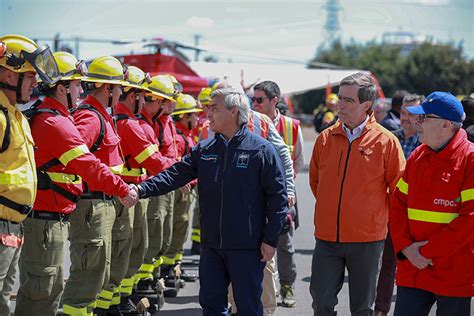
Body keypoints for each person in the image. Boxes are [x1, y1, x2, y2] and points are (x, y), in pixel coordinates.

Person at [135, 88, 288, 316]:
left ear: (234, 111)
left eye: (214, 108)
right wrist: (139, 190)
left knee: (247, 307)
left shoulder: (261, 150)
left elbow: (278, 199)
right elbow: (174, 175)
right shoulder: (205, 150)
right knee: (212, 307)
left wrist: (270, 239)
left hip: (247, 247)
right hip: (212, 247)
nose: (208, 114)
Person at [14, 51, 136, 316]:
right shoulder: (55, 123)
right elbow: (88, 165)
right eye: (79, 84)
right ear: (62, 88)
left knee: (49, 289)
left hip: (52, 217)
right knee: (41, 293)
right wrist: (123, 189)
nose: (83, 89)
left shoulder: (55, 118)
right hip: (45, 219)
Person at [309, 72, 405, 315]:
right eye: (340, 97)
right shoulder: (324, 139)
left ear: (367, 105)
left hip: (367, 241)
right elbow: (315, 183)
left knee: (362, 308)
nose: (340, 104)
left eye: (348, 100)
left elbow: (399, 191)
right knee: (321, 303)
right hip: (327, 239)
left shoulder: (386, 142)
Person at [62, 55, 138, 315]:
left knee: (99, 272)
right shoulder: (91, 117)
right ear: (108, 89)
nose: (121, 94)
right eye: (118, 88)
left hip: (105, 201)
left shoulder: (102, 115)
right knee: (88, 274)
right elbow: (75, 158)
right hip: (93, 203)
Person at [390, 92, 473, 316]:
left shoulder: (470, 160)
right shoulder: (417, 156)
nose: (417, 123)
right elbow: (397, 204)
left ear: (446, 125)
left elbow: (470, 219)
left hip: (452, 272)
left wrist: (424, 252)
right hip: (413, 268)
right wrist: (406, 248)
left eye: (424, 118)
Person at [0, 34, 60, 316]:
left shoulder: (17, 116)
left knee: (4, 300)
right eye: (29, 76)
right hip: (1, 224)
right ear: (9, 75)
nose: (36, 84)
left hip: (13, 226)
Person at [253, 80, 303, 307]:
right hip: (256, 195)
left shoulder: (292, 126)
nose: (255, 104)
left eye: (259, 100)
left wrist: (287, 188)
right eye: (253, 99)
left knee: (284, 242)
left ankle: (287, 285)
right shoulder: (252, 122)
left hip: (283, 194)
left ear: (275, 101)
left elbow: (297, 159)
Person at [374, 93, 424, 316]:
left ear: (421, 117)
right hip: (390, 211)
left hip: (417, 215)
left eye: (412, 114)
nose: (405, 118)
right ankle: (381, 310)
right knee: (387, 265)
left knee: (413, 266)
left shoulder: (426, 144)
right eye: (403, 113)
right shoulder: (390, 139)